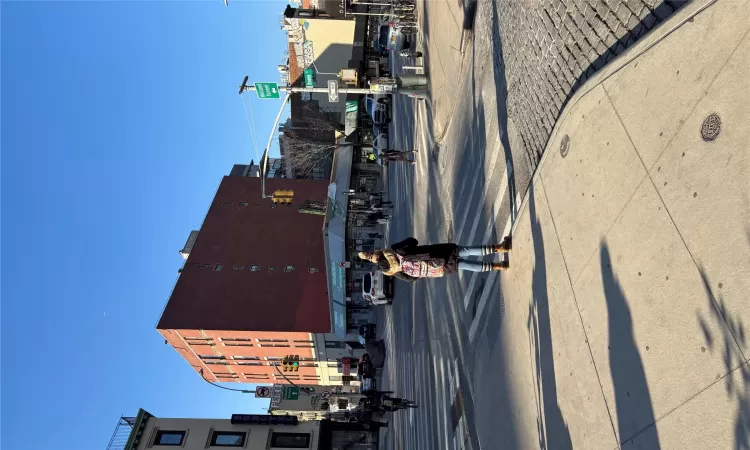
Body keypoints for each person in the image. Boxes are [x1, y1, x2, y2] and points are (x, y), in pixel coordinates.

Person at [358, 236, 511, 281]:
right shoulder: (395, 250)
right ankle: (500, 247)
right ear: (378, 252)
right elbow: (413, 241)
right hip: (438, 253)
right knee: (466, 251)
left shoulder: (393, 271)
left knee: (466, 265)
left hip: (437, 268)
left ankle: (499, 266)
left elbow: (411, 279)